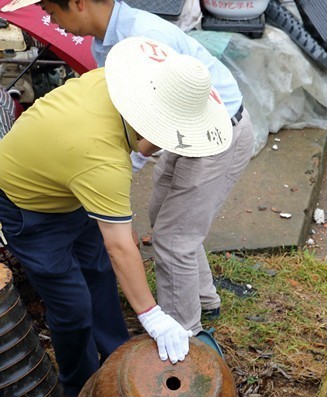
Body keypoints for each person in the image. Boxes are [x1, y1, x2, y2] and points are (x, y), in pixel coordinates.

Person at [4, 0, 255, 339]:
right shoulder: (105, 43)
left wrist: (122, 172)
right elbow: (129, 122)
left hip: (212, 129)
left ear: (79, 3)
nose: (52, 21)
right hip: (179, 132)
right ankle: (204, 300)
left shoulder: (140, 37)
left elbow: (157, 124)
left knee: (173, 239)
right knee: (165, 215)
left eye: (53, 12)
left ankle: (185, 335)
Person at [0, 36, 230, 397]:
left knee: (99, 274)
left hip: (69, 184)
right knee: (72, 305)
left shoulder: (117, 86)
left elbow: (114, 246)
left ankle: (119, 357)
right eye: (170, 136)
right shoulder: (101, 158)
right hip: (28, 206)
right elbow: (121, 246)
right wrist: (152, 316)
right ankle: (83, 390)